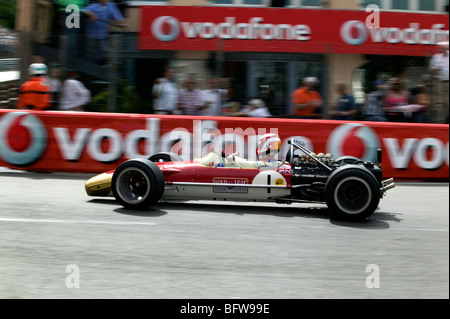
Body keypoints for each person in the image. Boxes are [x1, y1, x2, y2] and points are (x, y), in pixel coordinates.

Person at [429, 41, 449, 123]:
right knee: (441, 102)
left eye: (444, 47)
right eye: (441, 48)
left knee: (447, 102)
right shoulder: (436, 57)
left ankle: (446, 120)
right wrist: (435, 69)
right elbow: (431, 69)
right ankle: (441, 121)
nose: (442, 49)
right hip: (439, 82)